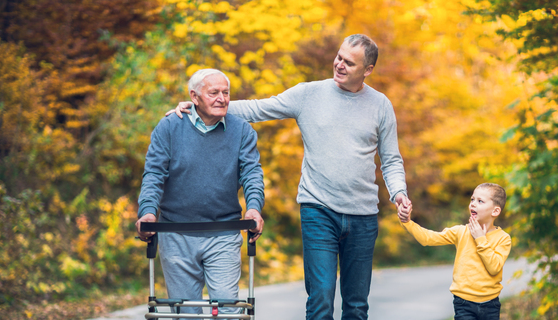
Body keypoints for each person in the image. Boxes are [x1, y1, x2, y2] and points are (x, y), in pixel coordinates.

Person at [168, 34, 412, 320]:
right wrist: (199, 105)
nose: (339, 65)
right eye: (339, 57)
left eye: (349, 62)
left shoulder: (380, 105)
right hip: (318, 209)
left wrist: (399, 192)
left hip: (363, 215)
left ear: (367, 69)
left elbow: (391, 159)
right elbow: (258, 108)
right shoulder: (309, 94)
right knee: (320, 296)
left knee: (357, 305)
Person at [136, 69, 265, 319]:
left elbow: (252, 173)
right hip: (176, 233)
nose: (222, 98)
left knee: (228, 310)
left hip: (224, 233)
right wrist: (148, 212)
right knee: (186, 312)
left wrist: (254, 207)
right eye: (213, 92)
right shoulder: (169, 127)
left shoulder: (242, 131)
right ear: (194, 97)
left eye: (226, 93)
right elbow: (153, 174)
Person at [397, 183, 512, 320]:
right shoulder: (461, 232)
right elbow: (429, 238)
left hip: (490, 304)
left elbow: (494, 268)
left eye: (480, 201)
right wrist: (407, 222)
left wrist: (480, 239)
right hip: (463, 303)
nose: (473, 204)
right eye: (472, 199)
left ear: (495, 211)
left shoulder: (503, 239)